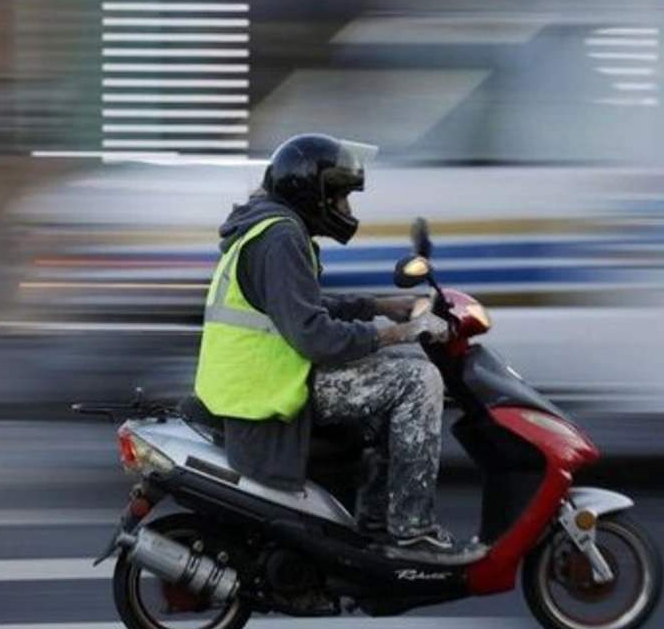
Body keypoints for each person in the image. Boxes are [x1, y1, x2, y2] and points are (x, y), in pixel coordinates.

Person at [193, 132, 464, 556]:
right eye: (340, 198)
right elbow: (313, 335)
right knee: (418, 379)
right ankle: (412, 528)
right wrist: (396, 332)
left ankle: (375, 519)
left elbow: (301, 305)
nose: (346, 209)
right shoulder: (280, 238)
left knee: (393, 378)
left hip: (255, 381)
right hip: (269, 388)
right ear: (311, 193)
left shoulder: (267, 227)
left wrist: (378, 306)